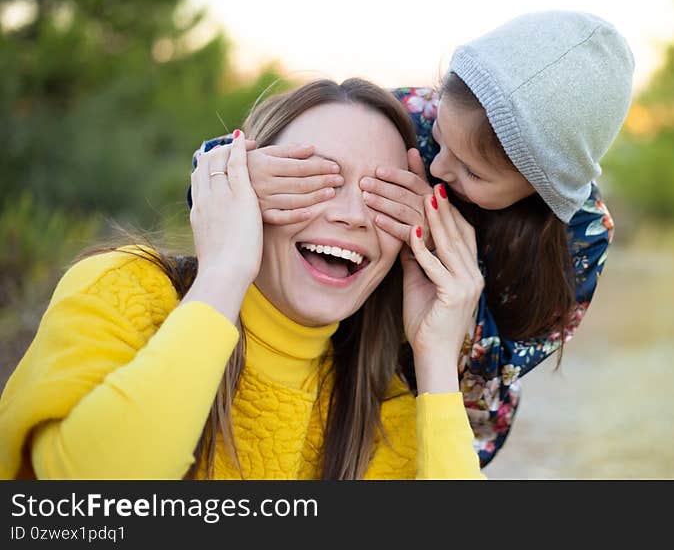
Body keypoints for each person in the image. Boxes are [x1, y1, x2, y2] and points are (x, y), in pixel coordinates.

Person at [192, 11, 634, 463]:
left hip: (442, 405)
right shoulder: (414, 114)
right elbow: (213, 168)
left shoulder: (579, 241)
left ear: (541, 189)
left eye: (472, 172)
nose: (440, 167)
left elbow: (489, 384)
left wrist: (454, 281)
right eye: (440, 139)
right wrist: (248, 174)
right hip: (343, 338)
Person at [0, 79, 485, 480]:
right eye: (319, 180)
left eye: (383, 195)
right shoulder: (123, 288)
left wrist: (436, 357)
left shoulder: (386, 416)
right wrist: (225, 270)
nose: (352, 215)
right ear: (247, 185)